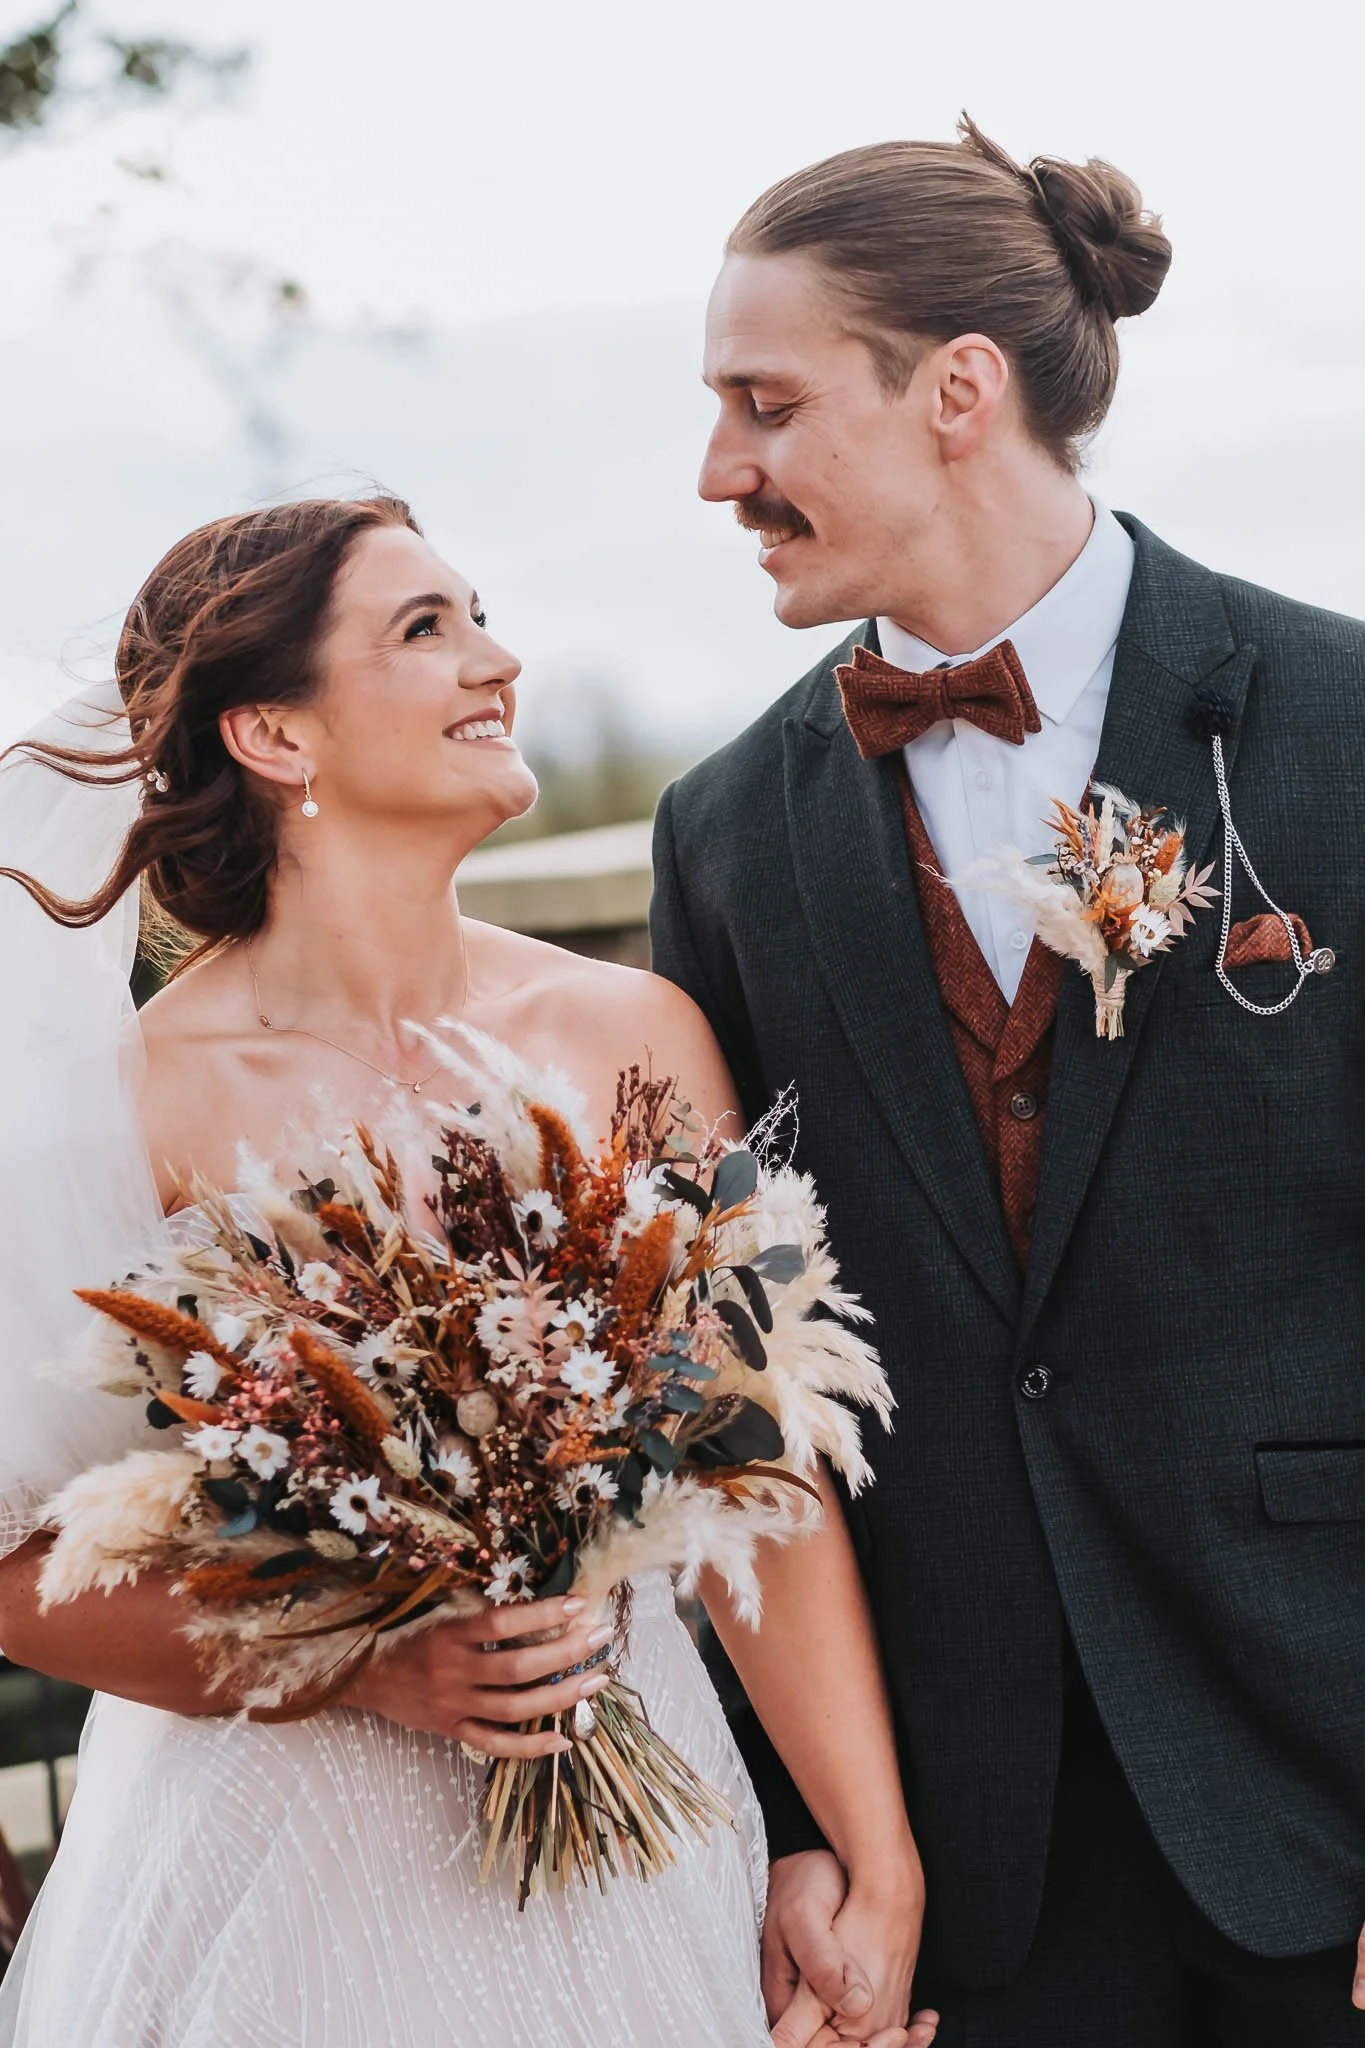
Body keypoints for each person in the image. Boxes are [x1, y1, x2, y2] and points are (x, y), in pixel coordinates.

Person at [0, 495, 936, 2048]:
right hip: (280, 1873)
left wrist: (875, 1865)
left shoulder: (635, 1035)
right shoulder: (136, 1102)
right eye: (425, 630)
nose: (497, 660)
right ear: (274, 736)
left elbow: (762, 1479)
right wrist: (361, 1669)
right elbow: (21, 1579)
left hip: (640, 1834)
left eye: (479, 614)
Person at [650, 116, 1365, 2046]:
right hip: (969, 1859)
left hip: (1329, 1773)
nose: (722, 471)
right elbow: (733, 1367)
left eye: (765, 405)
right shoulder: (725, 835)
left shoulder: (1345, 725)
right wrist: (802, 1824)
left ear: (958, 391)